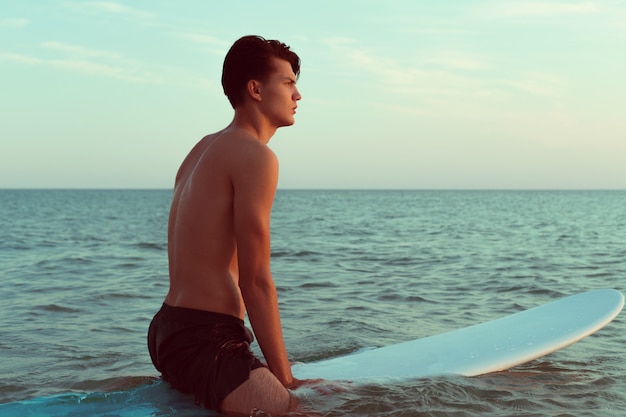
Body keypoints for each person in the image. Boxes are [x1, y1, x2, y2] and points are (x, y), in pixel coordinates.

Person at [147, 35, 311, 415]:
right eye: (287, 83)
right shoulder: (256, 156)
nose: (297, 95)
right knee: (295, 411)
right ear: (255, 89)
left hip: (167, 329)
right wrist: (285, 381)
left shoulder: (203, 147)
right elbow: (254, 281)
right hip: (206, 339)